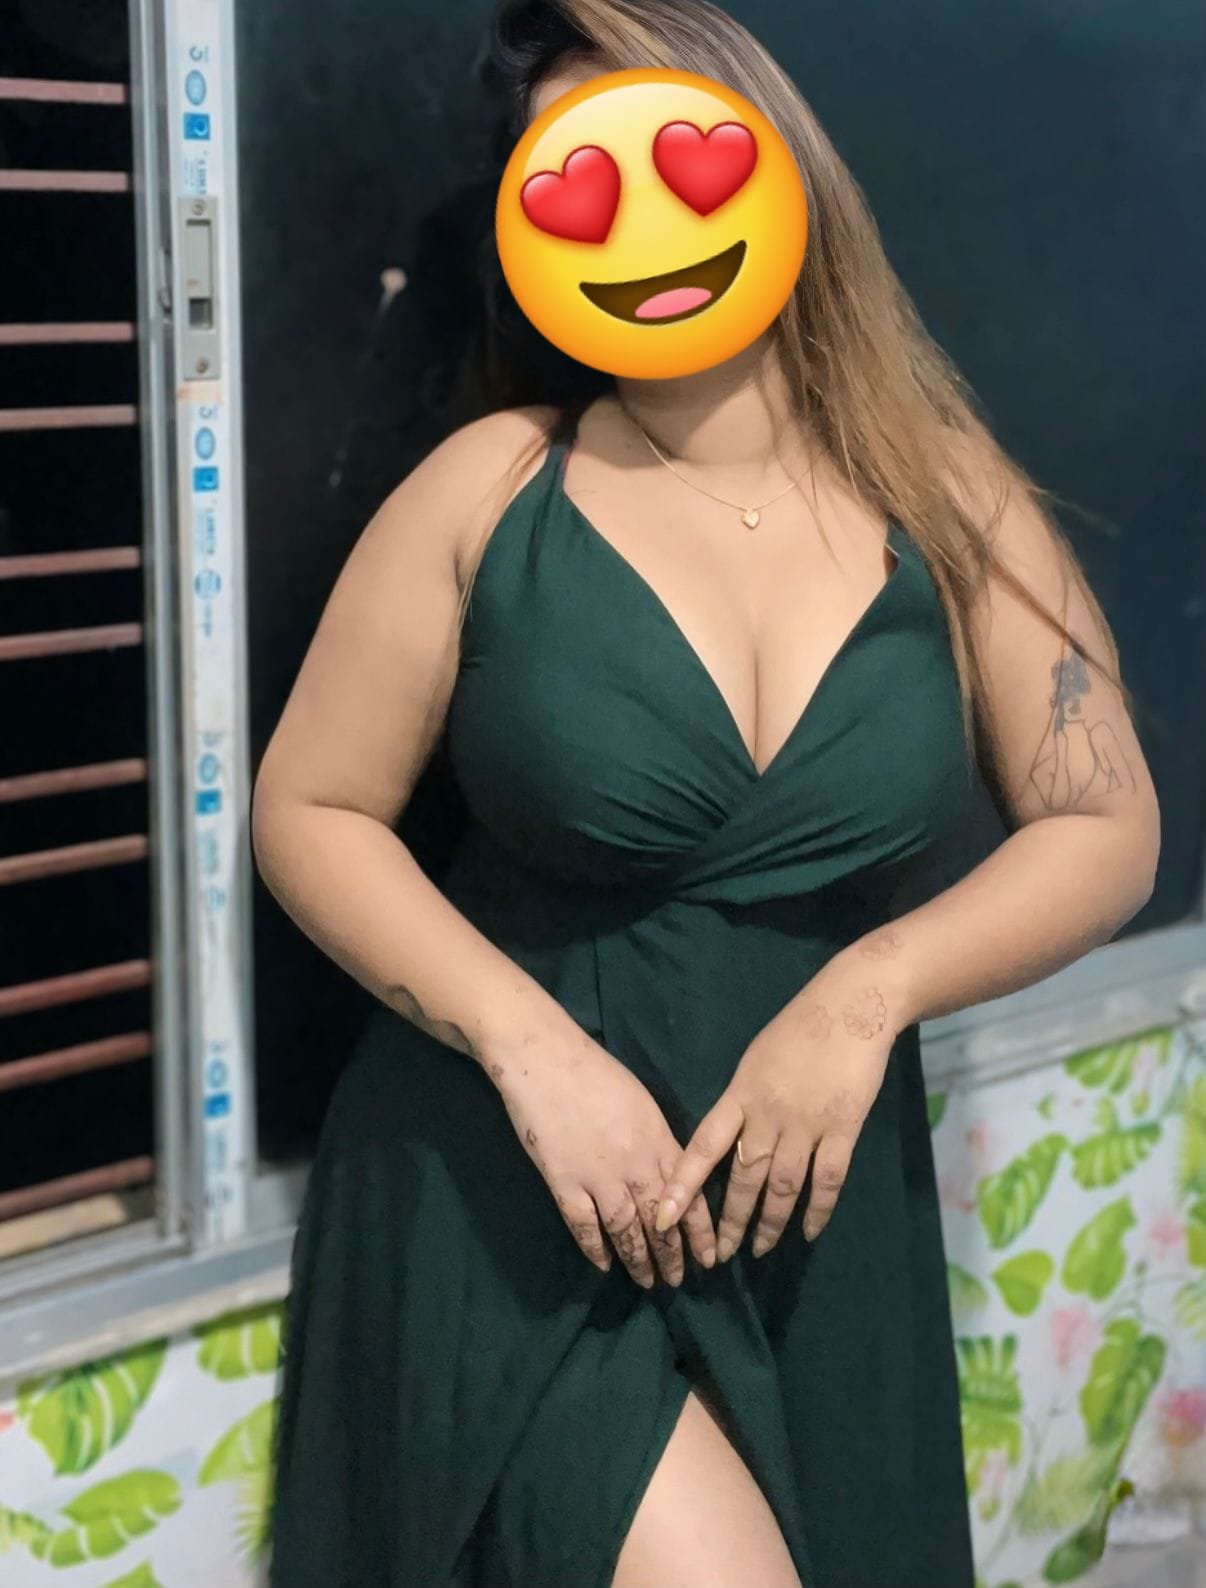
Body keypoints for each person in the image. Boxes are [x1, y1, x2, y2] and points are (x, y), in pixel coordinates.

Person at [253, 2, 1161, 1584]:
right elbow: (309, 810)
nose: (641, 226)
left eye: (682, 161)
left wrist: (864, 997)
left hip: (813, 1213)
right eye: (576, 183)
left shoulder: (946, 495)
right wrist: (534, 1053)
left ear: (780, 169)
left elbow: (1105, 828)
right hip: (514, 1199)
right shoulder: (490, 489)